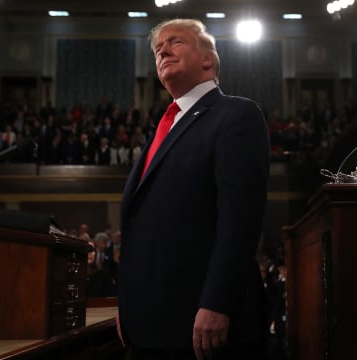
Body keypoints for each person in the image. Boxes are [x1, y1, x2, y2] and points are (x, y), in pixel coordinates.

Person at [117, 18, 270, 360]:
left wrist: (218, 302)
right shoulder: (165, 128)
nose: (163, 51)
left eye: (176, 42)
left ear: (207, 60)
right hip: (148, 325)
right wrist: (128, 305)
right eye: (158, 49)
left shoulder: (235, 114)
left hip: (204, 327)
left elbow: (240, 219)